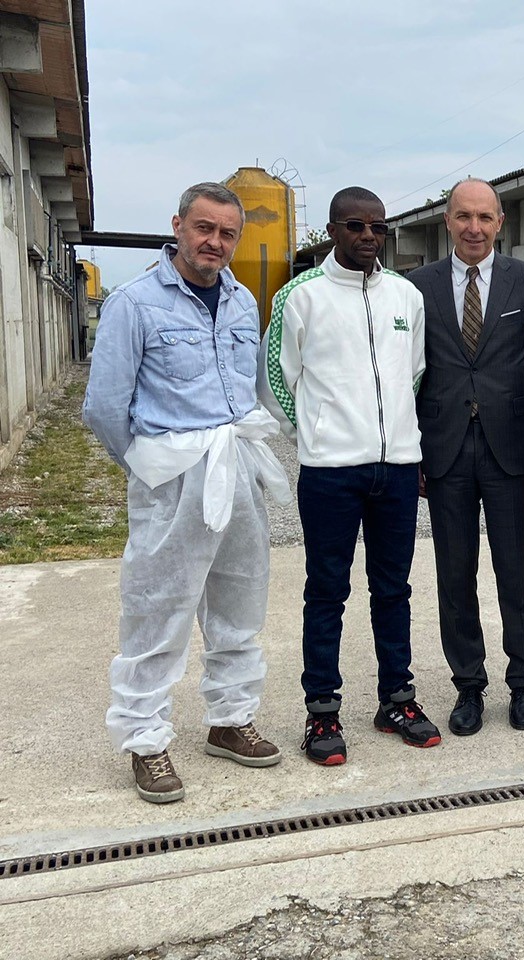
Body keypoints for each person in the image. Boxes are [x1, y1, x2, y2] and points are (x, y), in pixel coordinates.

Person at [83, 182, 290, 803]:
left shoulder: (242, 302)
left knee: (239, 600)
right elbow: (103, 407)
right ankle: (146, 740)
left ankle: (229, 720)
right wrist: (149, 465)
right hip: (172, 473)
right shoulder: (135, 304)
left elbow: (251, 388)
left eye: (228, 233)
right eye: (204, 228)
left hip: (236, 463)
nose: (215, 243)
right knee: (157, 607)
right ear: (177, 226)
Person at [260, 186, 434, 765]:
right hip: (330, 473)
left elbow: (413, 375)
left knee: (394, 590)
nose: (367, 236)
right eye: (355, 225)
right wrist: (314, 435)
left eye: (377, 227)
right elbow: (275, 382)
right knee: (327, 591)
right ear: (332, 230)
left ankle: (397, 699)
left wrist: (394, 440)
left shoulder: (407, 296)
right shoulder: (299, 297)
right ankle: (322, 712)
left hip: (398, 471)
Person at [406, 178, 524, 737]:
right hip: (443, 447)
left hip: (510, 447)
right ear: (447, 220)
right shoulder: (415, 287)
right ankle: (468, 685)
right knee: (455, 572)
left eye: (485, 218)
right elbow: (409, 373)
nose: (474, 228)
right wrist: (412, 452)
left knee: (516, 571)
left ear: (500, 223)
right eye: (463, 216)